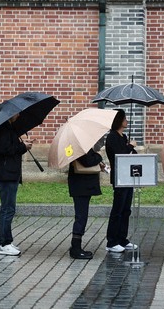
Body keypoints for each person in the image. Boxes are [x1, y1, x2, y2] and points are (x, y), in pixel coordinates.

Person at [0, 115, 31, 256]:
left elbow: (11, 149)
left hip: (10, 173)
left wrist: (23, 147)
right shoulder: (3, 130)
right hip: (6, 174)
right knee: (7, 209)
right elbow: (3, 149)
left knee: (8, 209)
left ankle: (6, 240)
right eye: (16, 113)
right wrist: (22, 146)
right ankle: (3, 243)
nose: (18, 115)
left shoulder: (9, 129)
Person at [105, 109, 137, 253]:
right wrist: (130, 146)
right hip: (119, 177)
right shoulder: (112, 137)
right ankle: (112, 241)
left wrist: (131, 147)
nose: (127, 121)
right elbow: (120, 155)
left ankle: (122, 238)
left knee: (126, 210)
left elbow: (131, 154)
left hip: (128, 176)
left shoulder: (123, 136)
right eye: (124, 118)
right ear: (118, 120)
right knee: (117, 209)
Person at [67, 144, 104, 260]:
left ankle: (76, 247)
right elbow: (87, 161)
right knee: (81, 216)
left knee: (82, 216)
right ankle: (75, 248)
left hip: (82, 185)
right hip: (80, 186)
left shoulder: (82, 146)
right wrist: (99, 156)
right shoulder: (79, 146)